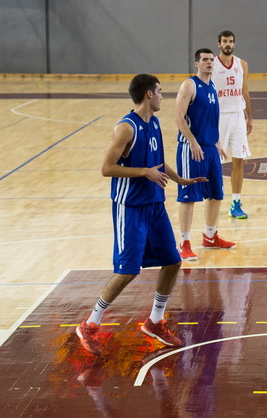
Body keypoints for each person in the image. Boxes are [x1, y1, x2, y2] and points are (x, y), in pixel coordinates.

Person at [76, 74, 207, 356]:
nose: (162, 96)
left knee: (172, 262)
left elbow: (157, 162)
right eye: (159, 91)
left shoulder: (155, 122)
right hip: (130, 207)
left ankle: (155, 321)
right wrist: (143, 172)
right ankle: (90, 323)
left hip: (155, 205)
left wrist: (180, 179)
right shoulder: (126, 128)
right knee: (127, 271)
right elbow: (106, 168)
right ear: (149, 94)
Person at [175, 48, 236, 261]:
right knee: (188, 196)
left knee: (215, 194)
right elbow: (179, 117)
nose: (209, 63)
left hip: (210, 149)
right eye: (205, 60)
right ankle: (184, 243)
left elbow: (212, 119)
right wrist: (192, 142)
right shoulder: (189, 85)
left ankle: (210, 237)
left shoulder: (212, 87)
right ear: (197, 64)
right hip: (191, 148)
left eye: (211, 60)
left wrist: (218, 143)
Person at [213, 30, 253, 220]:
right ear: (219, 44)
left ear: (234, 44)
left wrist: (249, 117)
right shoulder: (211, 65)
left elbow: (245, 91)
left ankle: (235, 203)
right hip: (218, 117)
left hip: (237, 116)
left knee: (239, 159)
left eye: (230, 41)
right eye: (224, 41)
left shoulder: (242, 64)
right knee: (216, 162)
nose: (228, 44)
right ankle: (215, 198)